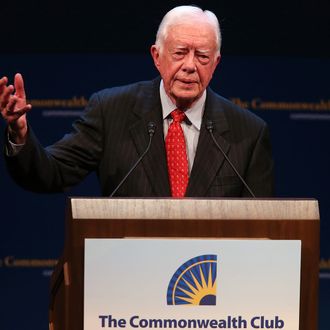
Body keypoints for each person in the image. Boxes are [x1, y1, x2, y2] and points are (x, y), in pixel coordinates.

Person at [0, 5, 274, 198]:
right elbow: (51, 173)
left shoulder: (248, 132)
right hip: (128, 271)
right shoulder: (111, 111)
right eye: (179, 53)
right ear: (157, 56)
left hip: (209, 277)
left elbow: (263, 227)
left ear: (216, 64)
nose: (190, 66)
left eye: (202, 56)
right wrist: (19, 134)